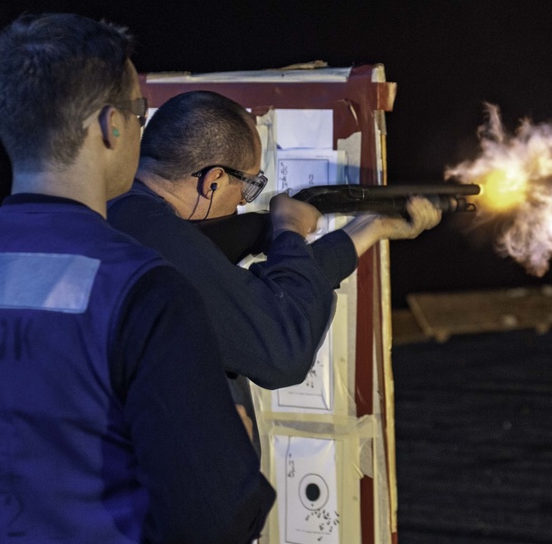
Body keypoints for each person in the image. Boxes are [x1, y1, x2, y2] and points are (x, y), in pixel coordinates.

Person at [0, 14, 274, 544]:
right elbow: (213, 520)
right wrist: (229, 451)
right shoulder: (144, 289)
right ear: (111, 125)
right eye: (141, 114)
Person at [107, 90, 441, 439]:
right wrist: (289, 230)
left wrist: (370, 228)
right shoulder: (157, 238)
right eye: (248, 187)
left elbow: (264, 298)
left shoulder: (126, 215)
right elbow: (282, 348)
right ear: (214, 181)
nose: (241, 203)